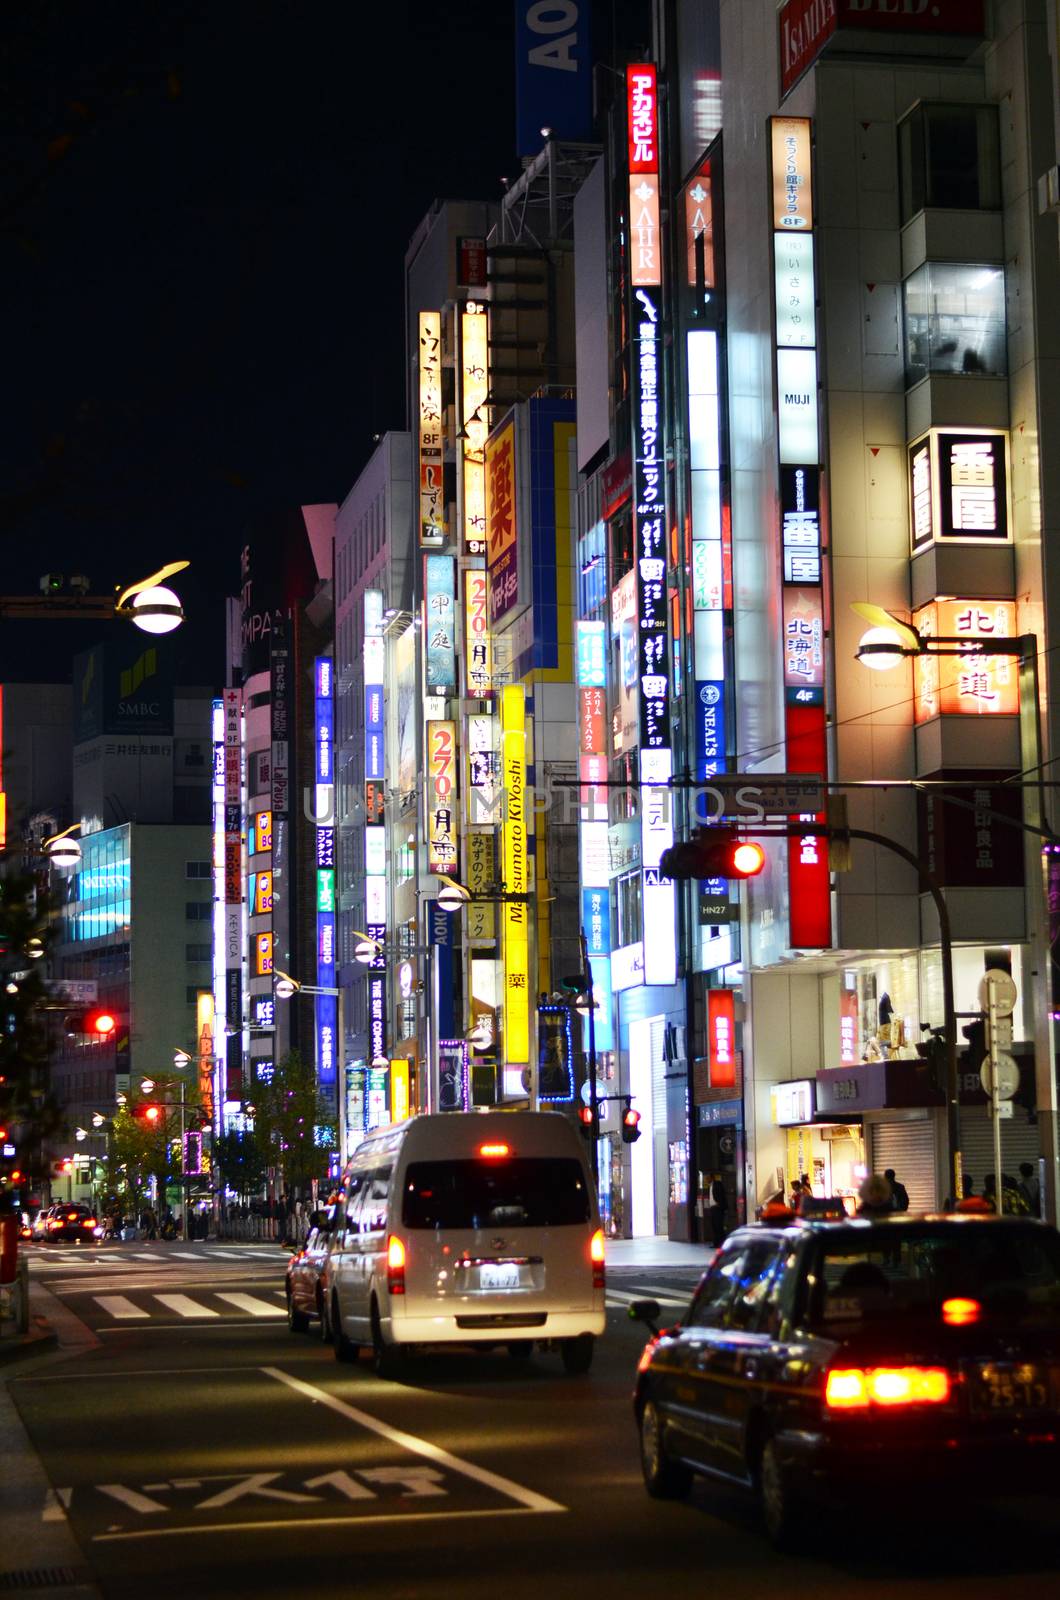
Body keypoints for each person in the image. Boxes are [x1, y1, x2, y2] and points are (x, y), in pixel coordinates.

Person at [707, 1173, 728, 1246]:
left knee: (719, 1226)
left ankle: (721, 1243)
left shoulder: (717, 1184)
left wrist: (719, 1203)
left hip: (717, 1208)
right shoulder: (710, 1186)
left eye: (708, 1178)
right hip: (712, 1208)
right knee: (714, 1226)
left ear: (712, 1178)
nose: (707, 1180)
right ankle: (716, 1243)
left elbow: (721, 1195)